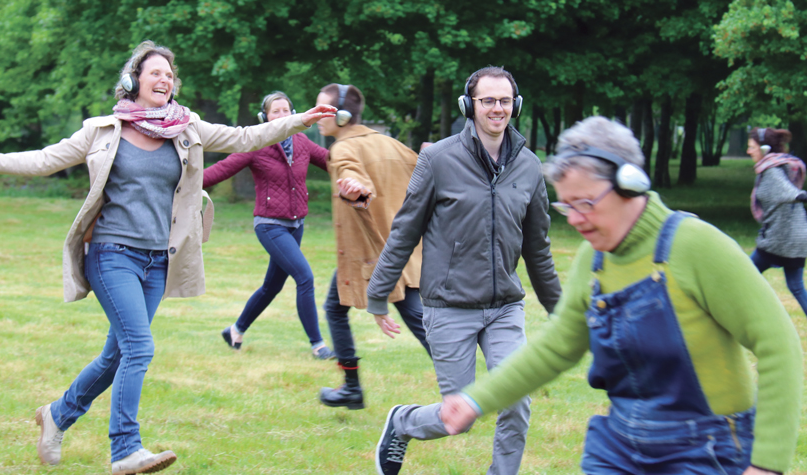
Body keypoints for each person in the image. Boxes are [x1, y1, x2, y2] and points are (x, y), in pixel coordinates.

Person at [0, 41, 336, 474]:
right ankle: (125, 449)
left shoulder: (186, 127)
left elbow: (245, 137)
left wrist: (299, 121)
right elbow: (43, 160)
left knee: (115, 356)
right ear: (133, 81)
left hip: (157, 261)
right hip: (111, 254)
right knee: (139, 347)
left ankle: (57, 415)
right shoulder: (101, 131)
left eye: (170, 75)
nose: (164, 80)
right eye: (155, 73)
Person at [439, 117, 803, 475]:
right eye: (566, 206)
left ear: (630, 184)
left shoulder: (697, 245)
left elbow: (778, 342)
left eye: (585, 203)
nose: (576, 219)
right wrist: (476, 399)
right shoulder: (592, 260)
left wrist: (767, 463)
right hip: (620, 443)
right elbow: (556, 347)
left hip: (706, 447)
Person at [368, 66, 562, 475]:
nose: (497, 108)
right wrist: (378, 293)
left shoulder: (528, 166)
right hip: (449, 306)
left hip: (505, 306)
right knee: (459, 417)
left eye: (505, 100)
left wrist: (559, 308)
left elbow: (538, 247)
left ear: (516, 105)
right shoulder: (438, 159)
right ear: (469, 105)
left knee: (517, 398)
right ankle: (403, 422)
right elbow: (406, 230)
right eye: (488, 100)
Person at [314, 83, 432, 411]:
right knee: (335, 306)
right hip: (402, 249)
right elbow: (424, 171)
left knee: (421, 323)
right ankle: (351, 386)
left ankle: (467, 388)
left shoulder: (342, 150)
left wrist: (357, 190)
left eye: (324, 110)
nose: (317, 117)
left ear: (343, 115)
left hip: (375, 251)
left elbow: (356, 182)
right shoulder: (388, 143)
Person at [203, 91, 335, 359]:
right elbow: (221, 169)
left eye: (286, 110)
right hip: (270, 225)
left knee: (272, 286)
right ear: (265, 117)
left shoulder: (302, 141)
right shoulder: (256, 145)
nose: (282, 116)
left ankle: (235, 331)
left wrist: (361, 160)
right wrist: (180, 183)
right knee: (305, 277)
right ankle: (318, 345)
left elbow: (333, 162)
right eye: (275, 111)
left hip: (296, 224)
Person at [747, 127, 807, 316]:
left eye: (751, 147)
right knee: (796, 286)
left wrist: (800, 195)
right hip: (797, 238)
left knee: (745, 272)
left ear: (764, 149)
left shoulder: (772, 171)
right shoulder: (777, 166)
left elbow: (790, 193)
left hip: (780, 240)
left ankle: (752, 314)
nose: (748, 151)